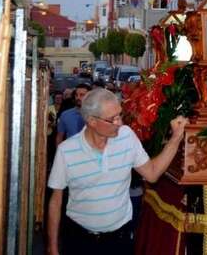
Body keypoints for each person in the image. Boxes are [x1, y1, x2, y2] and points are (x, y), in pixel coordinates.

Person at [47, 88, 188, 255]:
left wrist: (176, 138)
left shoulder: (126, 137)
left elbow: (152, 172)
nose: (119, 123)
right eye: (112, 119)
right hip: (79, 240)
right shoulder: (66, 151)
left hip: (119, 240)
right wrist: (53, 247)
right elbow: (55, 202)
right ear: (92, 121)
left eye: (119, 115)